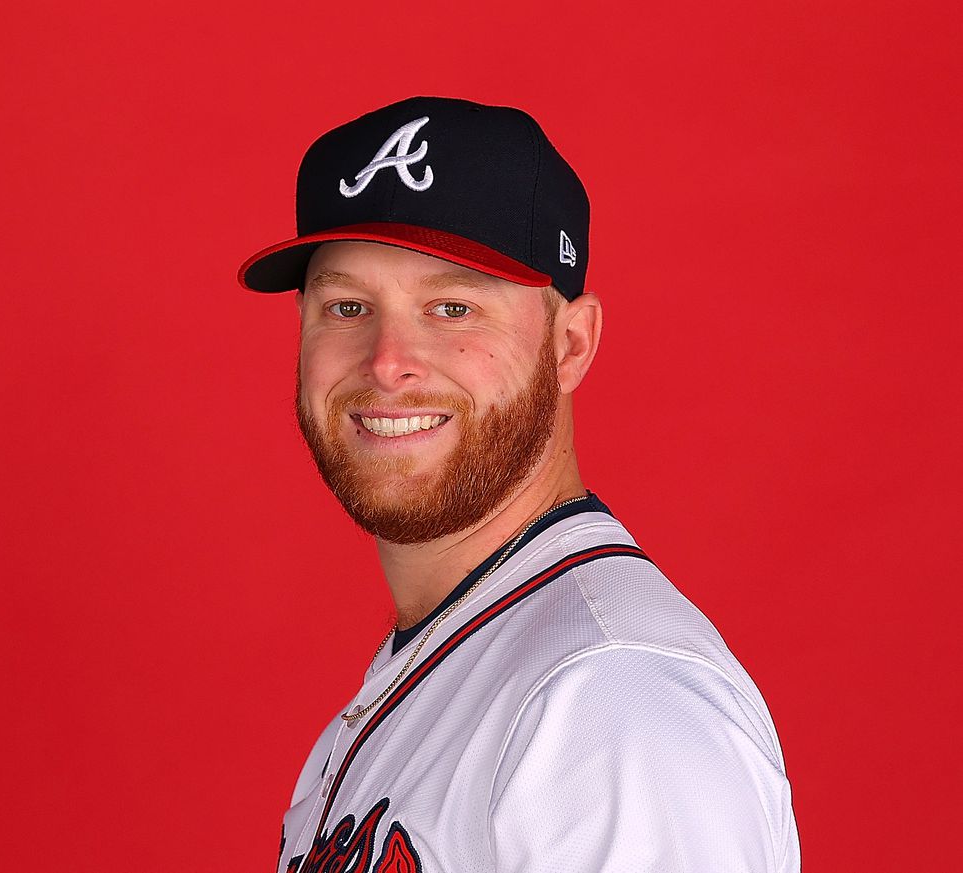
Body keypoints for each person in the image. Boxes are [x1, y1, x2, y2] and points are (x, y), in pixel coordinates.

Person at [238, 96, 799, 873]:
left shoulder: (610, 703)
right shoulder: (473, 662)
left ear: (571, 345)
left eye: (453, 306)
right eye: (348, 307)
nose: (387, 360)